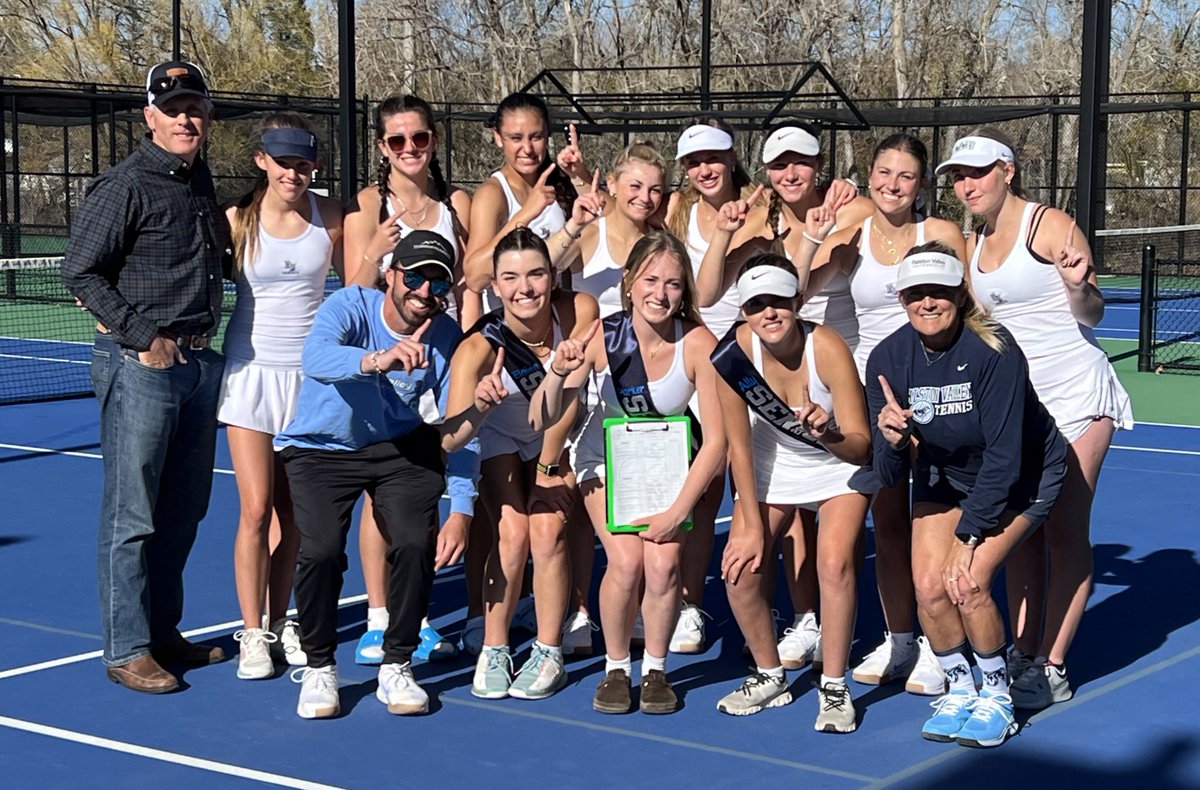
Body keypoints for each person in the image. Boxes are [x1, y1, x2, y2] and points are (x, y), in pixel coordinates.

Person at [938, 129, 1133, 709]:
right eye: (958, 176)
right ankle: (1022, 650)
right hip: (1017, 404)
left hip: (1076, 392)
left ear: (1008, 170)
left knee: (1064, 530)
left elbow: (1092, 310)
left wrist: (1078, 288)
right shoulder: (972, 241)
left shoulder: (1050, 225)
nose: (966, 185)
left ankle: (1051, 666)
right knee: (1021, 534)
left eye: (977, 173)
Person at [61, 61, 228, 693]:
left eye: (196, 108)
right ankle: (126, 647)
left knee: (184, 511)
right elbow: (80, 272)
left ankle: (162, 633)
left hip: (196, 365)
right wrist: (144, 337)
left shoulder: (198, 179)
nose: (186, 118)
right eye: (174, 107)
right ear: (149, 116)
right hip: (141, 367)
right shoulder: (123, 185)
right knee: (132, 516)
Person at [866, 243, 1067, 748]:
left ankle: (997, 694)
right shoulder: (888, 359)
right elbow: (888, 472)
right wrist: (889, 439)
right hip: (944, 476)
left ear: (959, 292)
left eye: (938, 291)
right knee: (929, 586)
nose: (927, 302)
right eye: (916, 293)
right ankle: (960, 687)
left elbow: (1006, 457)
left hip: (1024, 478)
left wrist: (968, 533)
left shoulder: (994, 349)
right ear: (902, 298)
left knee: (968, 581)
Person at [277, 231, 481, 719]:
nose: (424, 291)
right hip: (320, 446)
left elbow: (461, 426)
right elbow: (316, 357)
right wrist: (375, 360)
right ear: (391, 275)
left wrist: (463, 508)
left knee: (414, 542)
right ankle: (321, 666)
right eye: (414, 277)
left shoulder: (447, 337)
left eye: (437, 282)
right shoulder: (350, 305)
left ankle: (397, 663)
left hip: (399, 445)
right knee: (323, 550)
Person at [530, 231, 726, 714]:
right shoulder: (603, 335)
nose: (660, 294)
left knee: (662, 566)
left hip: (668, 469)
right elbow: (541, 416)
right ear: (629, 282)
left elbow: (717, 441)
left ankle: (656, 670)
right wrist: (558, 371)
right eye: (651, 280)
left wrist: (679, 509)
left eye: (674, 284)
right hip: (605, 461)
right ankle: (617, 668)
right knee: (627, 562)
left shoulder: (698, 343)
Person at [699, 123, 871, 669]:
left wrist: (820, 237)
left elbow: (798, 291)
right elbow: (709, 295)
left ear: (820, 163)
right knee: (782, 529)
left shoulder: (853, 210)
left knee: (863, 534)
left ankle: (902, 636)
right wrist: (728, 234)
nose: (790, 173)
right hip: (776, 377)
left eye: (800, 162)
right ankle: (802, 623)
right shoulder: (760, 223)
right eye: (778, 165)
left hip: (844, 365)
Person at [806, 134, 966, 696]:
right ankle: (901, 638)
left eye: (905, 176)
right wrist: (817, 232)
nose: (892, 185)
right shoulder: (851, 222)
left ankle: (939, 642)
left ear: (922, 185)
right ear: (868, 173)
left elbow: (966, 307)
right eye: (883, 172)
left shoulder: (940, 234)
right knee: (890, 523)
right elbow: (803, 287)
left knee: (935, 518)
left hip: (937, 383)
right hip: (876, 393)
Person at [713, 253, 870, 733]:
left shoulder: (828, 347)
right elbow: (738, 446)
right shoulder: (733, 354)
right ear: (744, 311)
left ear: (798, 301)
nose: (769, 313)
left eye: (779, 301)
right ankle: (769, 673)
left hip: (837, 463)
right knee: (738, 570)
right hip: (772, 463)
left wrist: (826, 434)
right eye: (757, 304)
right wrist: (751, 525)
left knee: (834, 562)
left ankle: (835, 683)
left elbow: (862, 447)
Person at [342, 94, 473, 666]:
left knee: (424, 488)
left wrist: (466, 355)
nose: (410, 150)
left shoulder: (457, 203)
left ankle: (416, 617)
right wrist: (375, 250)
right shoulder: (367, 207)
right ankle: (378, 618)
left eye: (419, 138)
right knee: (381, 493)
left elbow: (467, 285)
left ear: (433, 140)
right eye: (397, 141)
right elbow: (352, 295)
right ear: (381, 148)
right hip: (384, 367)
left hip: (442, 360)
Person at [443, 227, 599, 701]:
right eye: (511, 278)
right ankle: (495, 646)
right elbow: (451, 438)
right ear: (494, 285)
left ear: (552, 278)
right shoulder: (476, 349)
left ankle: (548, 649)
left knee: (548, 530)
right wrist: (480, 408)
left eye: (535, 274)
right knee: (511, 531)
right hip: (502, 438)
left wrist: (549, 468)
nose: (524, 288)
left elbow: (565, 402)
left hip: (561, 434)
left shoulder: (578, 312)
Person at [218, 115, 343, 679]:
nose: (293, 173)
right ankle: (252, 632)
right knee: (255, 509)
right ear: (261, 161)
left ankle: (282, 617)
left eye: (303, 163)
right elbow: (176, 264)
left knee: (295, 516)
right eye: (283, 161)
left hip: (310, 382)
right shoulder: (235, 221)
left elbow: (366, 279)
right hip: (249, 376)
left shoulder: (335, 217)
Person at [460, 93, 578, 652]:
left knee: (554, 507)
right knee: (502, 514)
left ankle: (568, 609)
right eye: (516, 138)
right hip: (506, 358)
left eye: (536, 136)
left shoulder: (562, 183)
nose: (528, 147)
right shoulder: (494, 192)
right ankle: (483, 619)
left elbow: (574, 255)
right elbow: (476, 271)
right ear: (497, 139)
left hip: (557, 347)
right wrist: (526, 214)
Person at [546, 141, 672, 654]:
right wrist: (574, 222)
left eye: (655, 188)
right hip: (585, 379)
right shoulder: (590, 232)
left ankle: (642, 605)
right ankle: (578, 608)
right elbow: (542, 264)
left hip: (640, 394)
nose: (644, 196)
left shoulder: (661, 242)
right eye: (635, 185)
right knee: (574, 504)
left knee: (639, 507)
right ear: (614, 184)